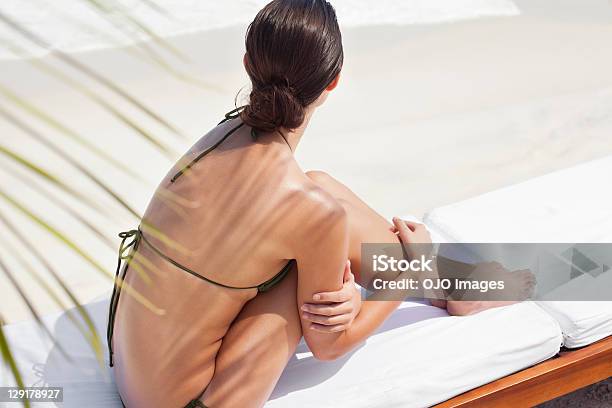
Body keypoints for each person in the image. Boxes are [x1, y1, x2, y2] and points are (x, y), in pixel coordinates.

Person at [107, 1, 528, 407]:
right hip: (194, 403)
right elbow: (330, 346)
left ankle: (449, 287)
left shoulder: (217, 139)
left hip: (131, 376)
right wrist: (409, 268)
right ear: (333, 81)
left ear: (248, 64)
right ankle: (448, 283)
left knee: (319, 186)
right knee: (314, 225)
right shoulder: (309, 212)